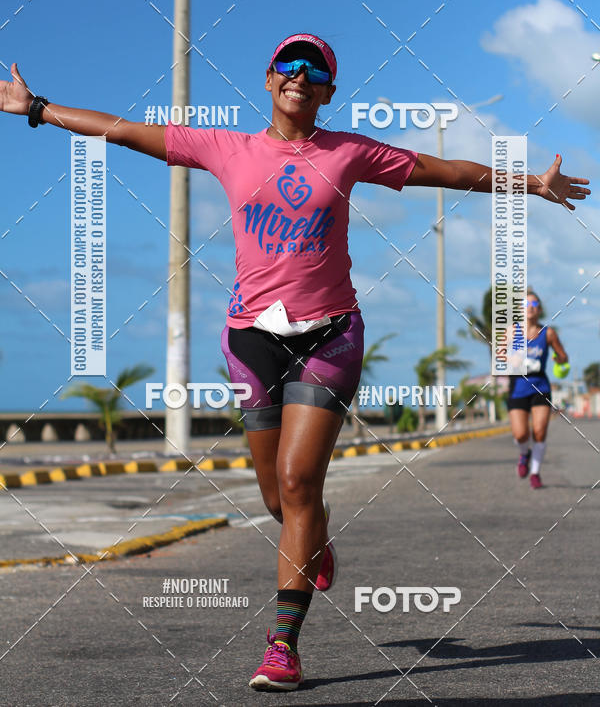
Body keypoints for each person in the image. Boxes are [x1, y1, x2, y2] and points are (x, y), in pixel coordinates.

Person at [0, 34, 590, 692]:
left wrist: (530, 184)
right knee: (278, 498)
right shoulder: (228, 148)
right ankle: (312, 540)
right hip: (251, 338)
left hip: (331, 336)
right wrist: (38, 108)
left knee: (298, 481)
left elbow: (443, 171)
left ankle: (283, 646)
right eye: (289, 64)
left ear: (329, 92)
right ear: (268, 79)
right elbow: (126, 131)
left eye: (316, 70)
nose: (300, 76)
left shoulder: (348, 151)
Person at [507, 290, 569, 489]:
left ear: (539, 309)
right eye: (525, 304)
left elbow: (563, 356)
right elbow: (498, 354)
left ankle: (535, 473)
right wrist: (510, 359)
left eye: (534, 304)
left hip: (540, 386)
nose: (530, 307)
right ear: (519, 309)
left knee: (539, 430)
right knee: (520, 435)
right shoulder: (512, 332)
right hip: (517, 386)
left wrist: (559, 360)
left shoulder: (548, 333)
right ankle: (524, 453)